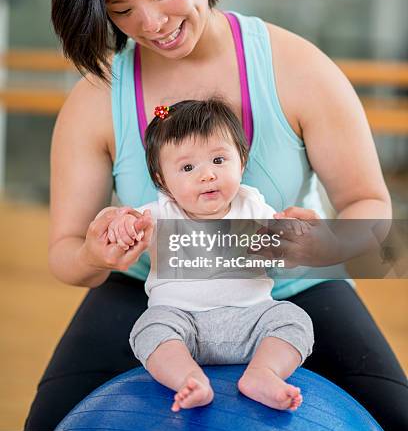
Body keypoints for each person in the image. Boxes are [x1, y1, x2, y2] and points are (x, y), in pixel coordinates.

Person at [22, 0, 407, 431]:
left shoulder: (297, 68)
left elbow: (372, 207)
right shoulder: (96, 98)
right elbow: (64, 254)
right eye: (120, 10)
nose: (150, 25)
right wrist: (96, 254)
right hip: (152, 292)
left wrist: (329, 244)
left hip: (290, 289)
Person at [102, 98, 314, 412]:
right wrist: (121, 224)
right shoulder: (157, 215)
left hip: (252, 318)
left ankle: (262, 373)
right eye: (188, 167)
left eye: (218, 160)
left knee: (294, 320)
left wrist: (291, 238)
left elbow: (283, 251)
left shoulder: (253, 206)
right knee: (149, 328)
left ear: (241, 161)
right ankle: (188, 378)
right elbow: (126, 226)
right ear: (163, 180)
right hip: (180, 321)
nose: (207, 175)